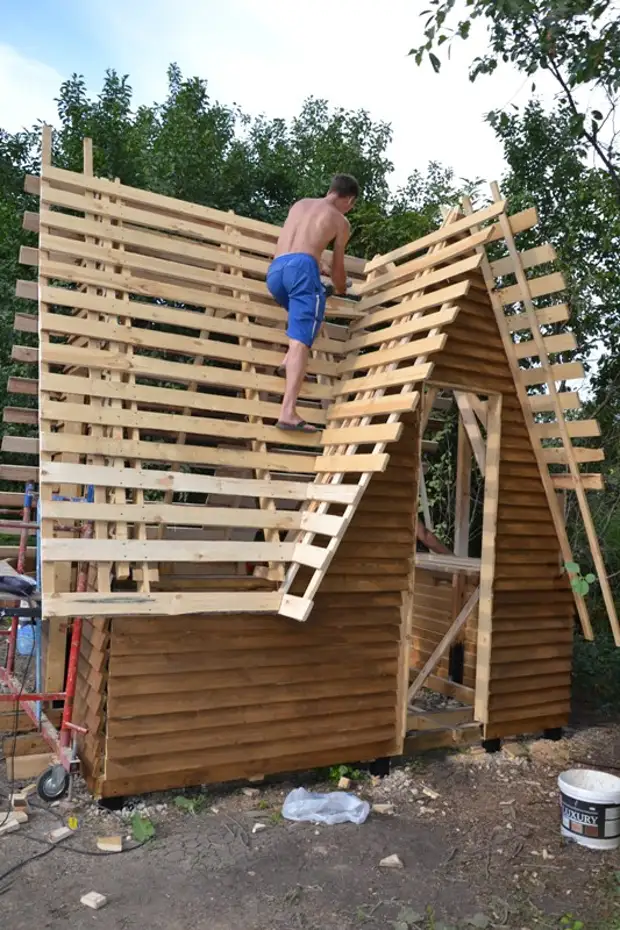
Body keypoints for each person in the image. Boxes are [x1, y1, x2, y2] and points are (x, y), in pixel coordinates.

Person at [266, 174, 359, 433]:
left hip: (276, 272)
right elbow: (339, 267)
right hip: (302, 271)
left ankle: (288, 362)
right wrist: (341, 286)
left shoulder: (300, 205)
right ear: (348, 200)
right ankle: (288, 412)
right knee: (302, 339)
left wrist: (318, 264)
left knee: (308, 321)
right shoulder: (340, 221)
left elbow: (301, 245)